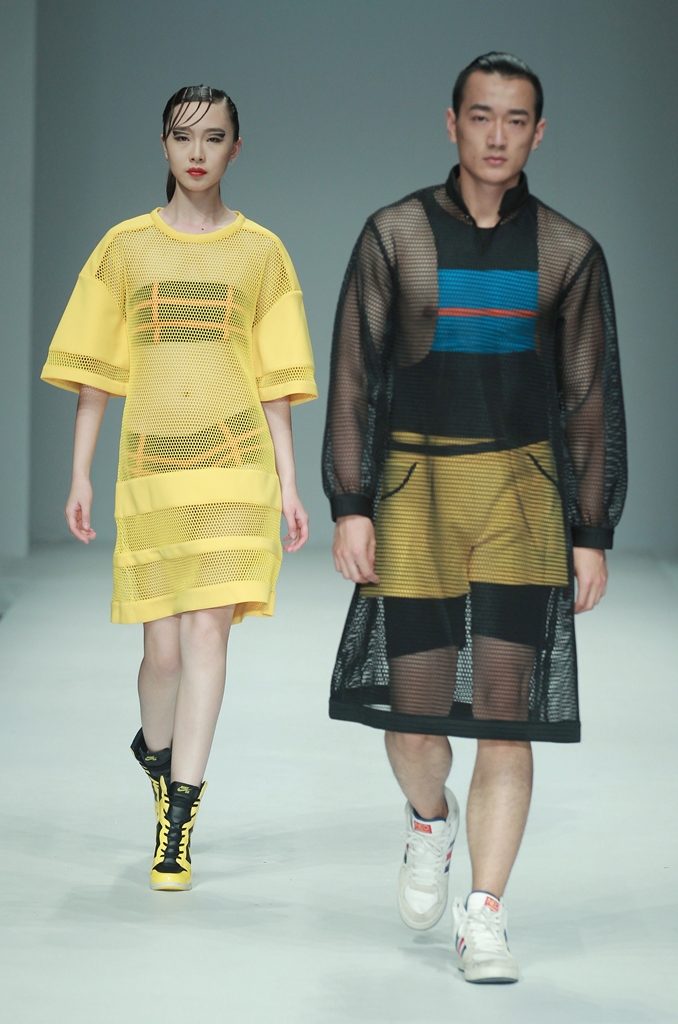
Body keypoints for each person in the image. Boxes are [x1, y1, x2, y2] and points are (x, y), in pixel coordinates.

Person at [322, 53, 626, 983]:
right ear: (450, 123)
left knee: (506, 716)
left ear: (539, 133)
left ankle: (485, 914)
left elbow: (588, 397)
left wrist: (590, 529)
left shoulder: (567, 252)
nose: (497, 135)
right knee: (415, 719)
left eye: (515, 119)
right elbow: (354, 375)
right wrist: (350, 503)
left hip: (521, 499)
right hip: (415, 494)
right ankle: (429, 820)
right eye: (481, 116)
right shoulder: (396, 235)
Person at [42, 85, 317, 891]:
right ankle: (157, 757)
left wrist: (290, 485)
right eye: (183, 136)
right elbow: (96, 372)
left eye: (214, 137)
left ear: (237, 148)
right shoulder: (125, 248)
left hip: (235, 465)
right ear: (162, 145)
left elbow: (274, 381)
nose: (198, 152)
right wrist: (79, 473)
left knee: (206, 639)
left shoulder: (262, 253)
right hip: (153, 468)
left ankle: (179, 821)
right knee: (160, 654)